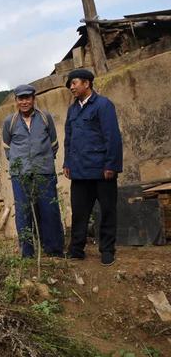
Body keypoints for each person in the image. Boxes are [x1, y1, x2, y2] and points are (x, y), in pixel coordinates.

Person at [63, 69, 122, 266]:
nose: (72, 87)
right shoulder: (72, 110)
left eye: (74, 83)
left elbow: (112, 136)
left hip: (101, 170)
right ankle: (76, 250)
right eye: (70, 84)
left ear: (87, 83)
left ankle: (107, 250)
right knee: (80, 212)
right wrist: (67, 163)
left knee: (107, 211)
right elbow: (68, 139)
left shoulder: (103, 105)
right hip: (79, 171)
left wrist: (110, 165)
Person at [2, 84, 64, 258]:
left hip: (44, 173)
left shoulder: (45, 118)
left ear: (33, 99)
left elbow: (54, 144)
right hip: (20, 176)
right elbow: (7, 146)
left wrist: (42, 161)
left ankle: (54, 250)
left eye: (28, 98)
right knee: (23, 213)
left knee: (49, 211)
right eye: (21, 98)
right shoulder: (10, 122)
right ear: (16, 101)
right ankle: (27, 253)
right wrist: (19, 163)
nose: (25, 101)